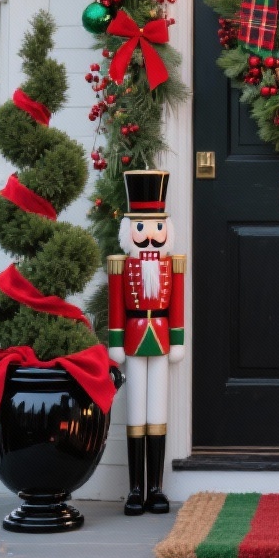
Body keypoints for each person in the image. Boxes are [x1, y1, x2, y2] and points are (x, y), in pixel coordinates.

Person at [107, 170, 185, 515]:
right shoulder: (122, 266)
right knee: (136, 411)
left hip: (163, 336)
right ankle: (134, 489)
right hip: (135, 339)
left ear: (166, 229)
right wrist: (116, 341)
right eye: (141, 227)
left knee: (158, 412)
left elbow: (178, 306)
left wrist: (179, 339)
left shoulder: (173, 265)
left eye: (155, 227)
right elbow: (114, 307)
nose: (149, 235)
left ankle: (156, 488)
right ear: (130, 230)